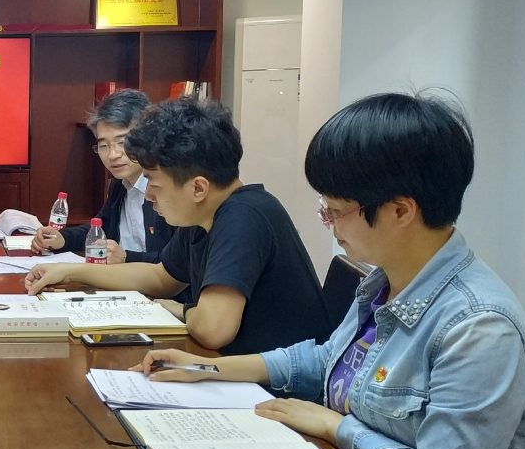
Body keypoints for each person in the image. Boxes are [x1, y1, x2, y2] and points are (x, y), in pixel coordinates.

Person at [132, 93, 525, 449]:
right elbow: (327, 359)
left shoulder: (479, 328)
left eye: (335, 210)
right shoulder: (385, 281)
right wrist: (208, 368)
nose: (328, 223)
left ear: (400, 211)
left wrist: (334, 426)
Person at [25, 98, 333, 355]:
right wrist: (69, 271)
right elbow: (160, 277)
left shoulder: (244, 216)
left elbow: (213, 329)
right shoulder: (204, 214)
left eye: (154, 183)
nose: (148, 195)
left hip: (278, 390)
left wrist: (179, 309)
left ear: (197, 188)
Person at [31, 89, 177, 265]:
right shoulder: (119, 184)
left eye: (122, 143)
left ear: (147, 138)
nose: (113, 155)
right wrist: (63, 238)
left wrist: (126, 258)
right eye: (104, 146)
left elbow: (179, 264)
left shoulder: (169, 189)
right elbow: (102, 228)